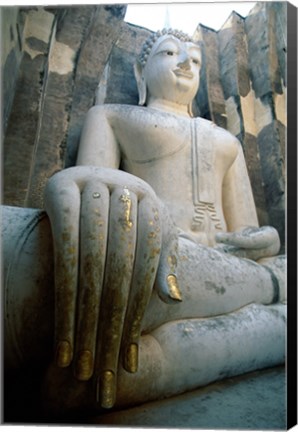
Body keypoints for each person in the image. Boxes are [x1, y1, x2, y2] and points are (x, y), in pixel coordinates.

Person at [4, 29, 286, 415]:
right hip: (163, 255)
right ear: (141, 73)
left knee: (281, 280)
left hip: (229, 262)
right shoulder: (115, 116)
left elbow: (248, 230)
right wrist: (86, 186)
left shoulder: (228, 142)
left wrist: (265, 240)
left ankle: (163, 363)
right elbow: (96, 197)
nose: (186, 63)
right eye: (170, 53)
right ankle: (261, 317)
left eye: (196, 60)